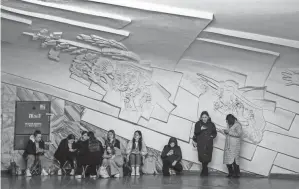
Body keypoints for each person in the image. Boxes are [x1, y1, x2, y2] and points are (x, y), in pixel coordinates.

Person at [192, 111, 217, 176]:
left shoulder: (211, 124)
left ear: (208, 117)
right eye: (203, 117)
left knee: (207, 157)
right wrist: (200, 129)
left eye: (205, 117)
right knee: (202, 157)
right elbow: (195, 132)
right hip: (201, 143)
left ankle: (204, 170)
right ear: (201, 118)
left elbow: (214, 133)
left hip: (208, 143)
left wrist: (212, 136)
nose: (204, 118)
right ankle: (205, 170)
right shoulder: (198, 123)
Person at [222, 114, 242, 178]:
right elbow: (230, 133)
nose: (226, 122)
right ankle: (231, 173)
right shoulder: (229, 125)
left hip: (235, 146)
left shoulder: (238, 125)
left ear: (230, 120)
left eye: (227, 120)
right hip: (228, 145)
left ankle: (237, 174)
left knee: (235, 160)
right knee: (228, 160)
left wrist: (229, 132)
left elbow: (239, 134)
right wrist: (226, 132)